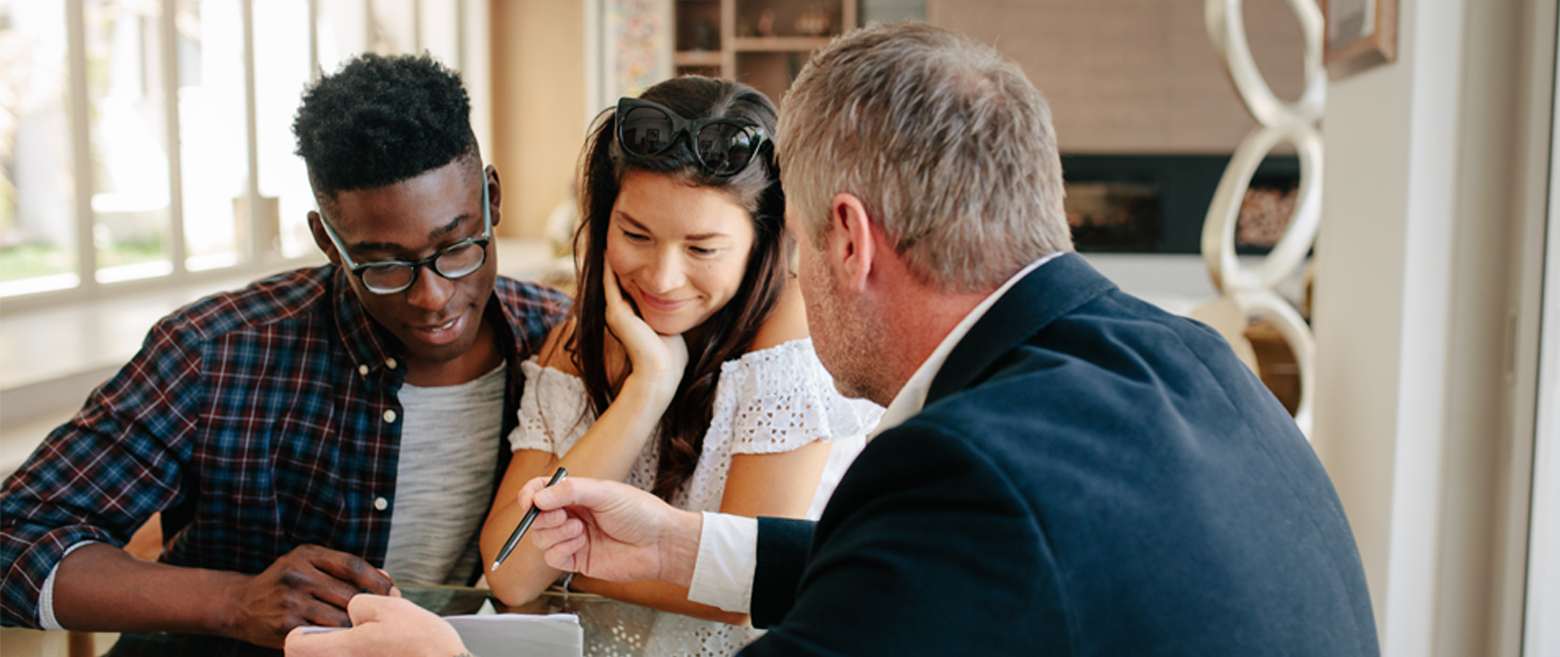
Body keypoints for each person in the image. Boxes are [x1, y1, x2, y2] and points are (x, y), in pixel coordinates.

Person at [286, 21, 1379, 657]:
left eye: (794, 240)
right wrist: (674, 547)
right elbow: (926, 580)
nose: (791, 279)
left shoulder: (972, 467)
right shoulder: (1180, 359)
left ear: (845, 237)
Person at [0, 53, 569, 649]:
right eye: (383, 265)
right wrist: (232, 602)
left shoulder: (560, 348)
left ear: (492, 198)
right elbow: (16, 538)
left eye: (457, 246)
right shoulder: (216, 352)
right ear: (328, 241)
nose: (433, 296)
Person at [478, 75, 880, 655]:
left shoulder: (792, 332)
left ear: (763, 241)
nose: (663, 279)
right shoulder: (579, 340)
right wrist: (648, 389)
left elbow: (742, 587)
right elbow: (511, 574)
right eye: (635, 234)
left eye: (702, 249)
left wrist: (569, 568)